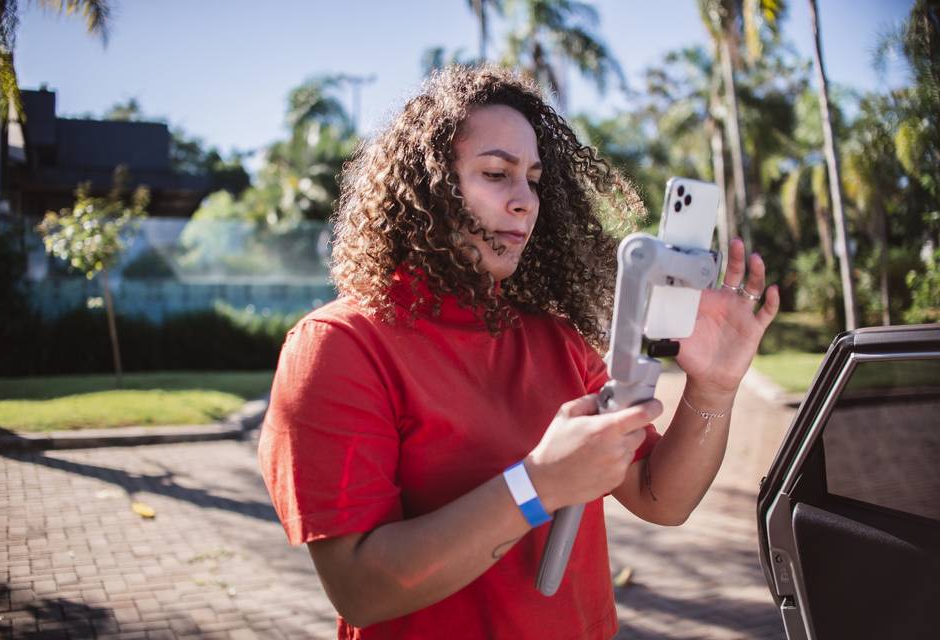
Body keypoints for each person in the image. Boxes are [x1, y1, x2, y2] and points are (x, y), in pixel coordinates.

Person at [258, 65, 779, 639]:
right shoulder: (341, 345)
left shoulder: (557, 342)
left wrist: (714, 388)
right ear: (428, 187)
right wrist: (537, 485)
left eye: (532, 179)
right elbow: (361, 590)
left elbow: (660, 498)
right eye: (495, 173)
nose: (524, 202)